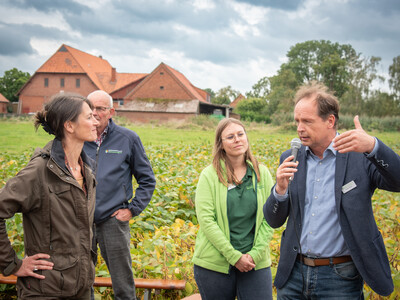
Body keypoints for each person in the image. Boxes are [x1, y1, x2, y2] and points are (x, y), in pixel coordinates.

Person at [263, 81, 400, 299]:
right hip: (293, 275)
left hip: (340, 278)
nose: (299, 128)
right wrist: (280, 189)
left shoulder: (360, 156)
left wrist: (374, 146)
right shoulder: (291, 157)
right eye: (297, 121)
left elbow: (397, 181)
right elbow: (274, 220)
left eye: (307, 121)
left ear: (330, 121)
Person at [0, 93, 99, 299]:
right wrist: (11, 264)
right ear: (69, 126)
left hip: (81, 287)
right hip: (45, 290)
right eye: (89, 117)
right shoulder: (39, 170)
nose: (96, 122)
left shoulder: (86, 169)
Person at [83, 90, 156, 300]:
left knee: (122, 282)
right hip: (80, 220)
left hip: (112, 220)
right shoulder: (77, 137)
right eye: (91, 108)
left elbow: (147, 180)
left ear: (111, 112)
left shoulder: (127, 138)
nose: (95, 113)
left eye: (101, 108)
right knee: (81, 278)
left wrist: (132, 210)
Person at [192, 118, 274, 300]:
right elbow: (206, 220)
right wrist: (234, 257)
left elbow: (271, 217)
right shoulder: (209, 175)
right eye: (230, 137)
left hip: (255, 262)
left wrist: (255, 254)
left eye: (240, 134)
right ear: (221, 145)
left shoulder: (262, 173)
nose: (237, 139)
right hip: (215, 264)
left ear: (246, 137)